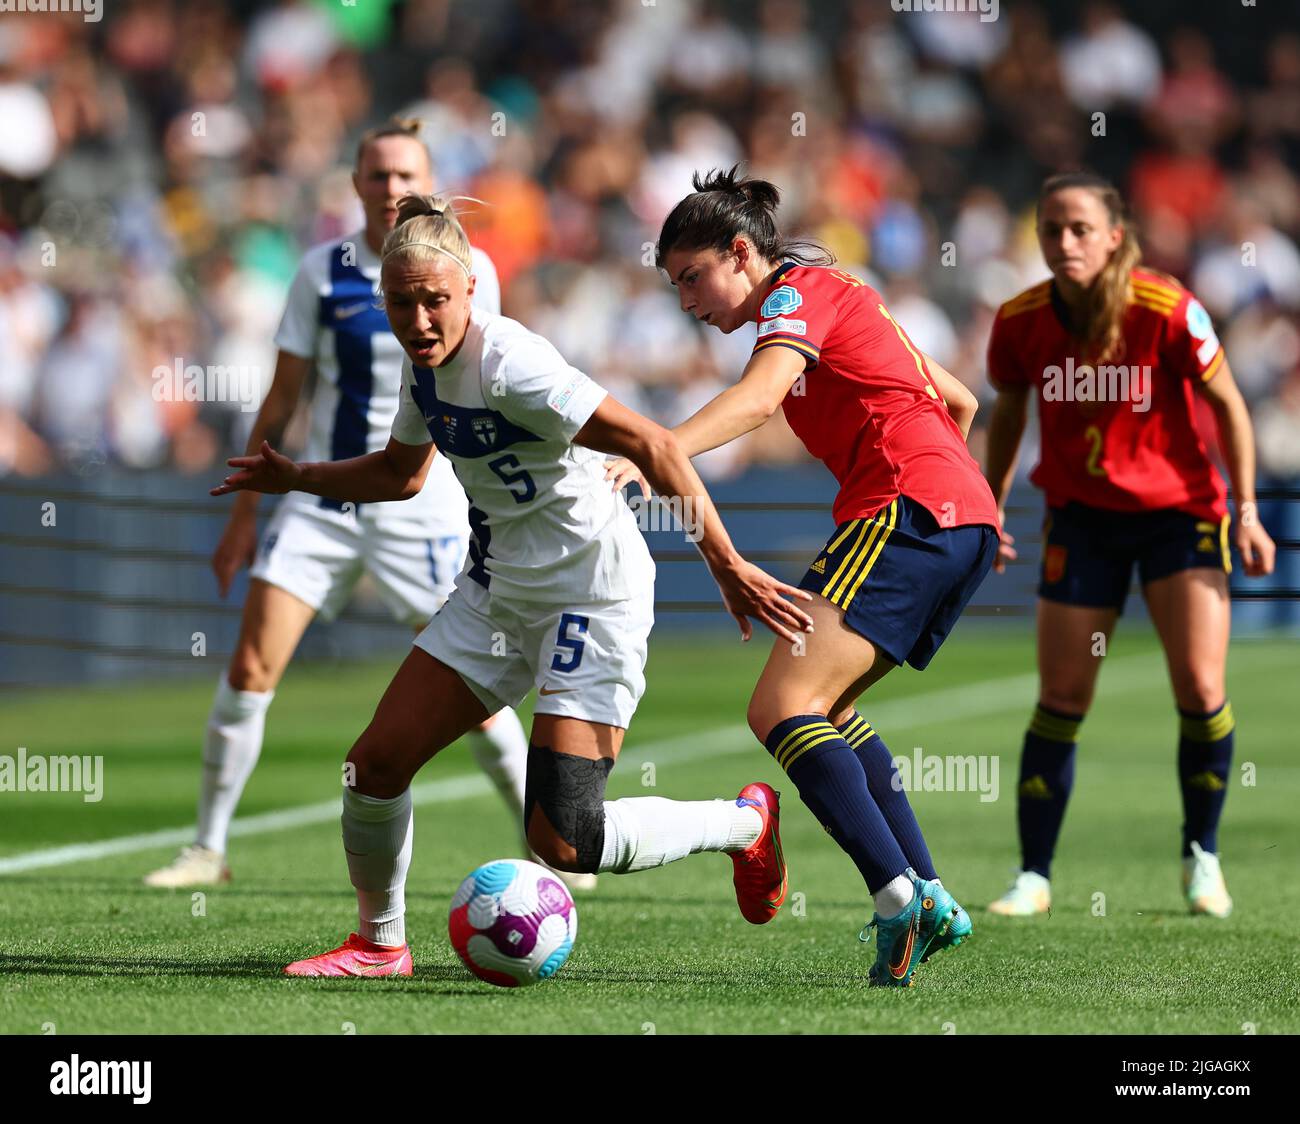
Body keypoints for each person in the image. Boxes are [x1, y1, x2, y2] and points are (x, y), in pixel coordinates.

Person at [212, 192, 815, 977]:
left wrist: (726, 564)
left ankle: (743, 825)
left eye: (434, 301)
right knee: (374, 767)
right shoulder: (421, 367)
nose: (419, 319)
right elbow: (400, 473)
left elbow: (655, 444)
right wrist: (299, 476)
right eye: (401, 303)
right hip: (495, 592)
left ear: (469, 291)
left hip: (590, 594)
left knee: (565, 839)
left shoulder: (510, 362)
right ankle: (380, 944)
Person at [611, 168, 1001, 987]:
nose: (687, 301)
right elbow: (959, 400)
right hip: (953, 516)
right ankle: (927, 892)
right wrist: (972, 508)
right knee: (833, 708)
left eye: (693, 277)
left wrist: (659, 447)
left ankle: (901, 899)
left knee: (781, 706)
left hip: (905, 509)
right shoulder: (848, 301)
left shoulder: (797, 297)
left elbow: (756, 402)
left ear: (742, 253)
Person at [144, 119, 552, 889]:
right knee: (250, 664)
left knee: (474, 688)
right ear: (356, 183)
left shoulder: (471, 268)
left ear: (427, 184)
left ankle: (542, 835)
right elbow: (285, 392)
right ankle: (207, 849)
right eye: (377, 176)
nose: (391, 189)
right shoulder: (320, 272)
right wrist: (244, 509)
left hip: (420, 500)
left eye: (405, 177)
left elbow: (489, 380)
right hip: (323, 496)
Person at [981, 171, 1277, 919]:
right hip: (1080, 520)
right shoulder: (1018, 320)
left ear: (1115, 237)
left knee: (1201, 691)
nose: (1063, 242)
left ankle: (1201, 857)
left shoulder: (1167, 308)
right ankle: (1034, 876)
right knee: (1062, 697)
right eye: (1051, 229)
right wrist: (988, 504)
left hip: (1180, 516)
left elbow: (1230, 405)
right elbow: (1011, 413)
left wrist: (1245, 512)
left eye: (1080, 228)